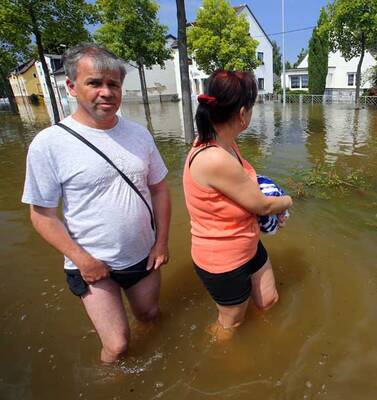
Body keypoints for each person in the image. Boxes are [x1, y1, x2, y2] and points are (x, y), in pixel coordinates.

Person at [21, 43, 171, 363]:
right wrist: (82, 259)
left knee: (150, 314)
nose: (106, 92)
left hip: (142, 255)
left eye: (113, 84)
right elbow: (42, 215)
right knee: (117, 346)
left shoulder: (139, 134)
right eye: (94, 83)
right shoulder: (49, 144)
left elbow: (159, 189)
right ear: (72, 87)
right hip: (90, 263)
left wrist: (161, 243)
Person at [182, 70, 293, 340]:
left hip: (247, 243)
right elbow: (263, 207)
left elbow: (246, 191)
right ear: (243, 113)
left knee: (268, 300)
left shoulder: (226, 143)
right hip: (222, 259)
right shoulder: (213, 158)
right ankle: (220, 367)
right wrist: (288, 200)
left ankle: (262, 342)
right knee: (230, 325)